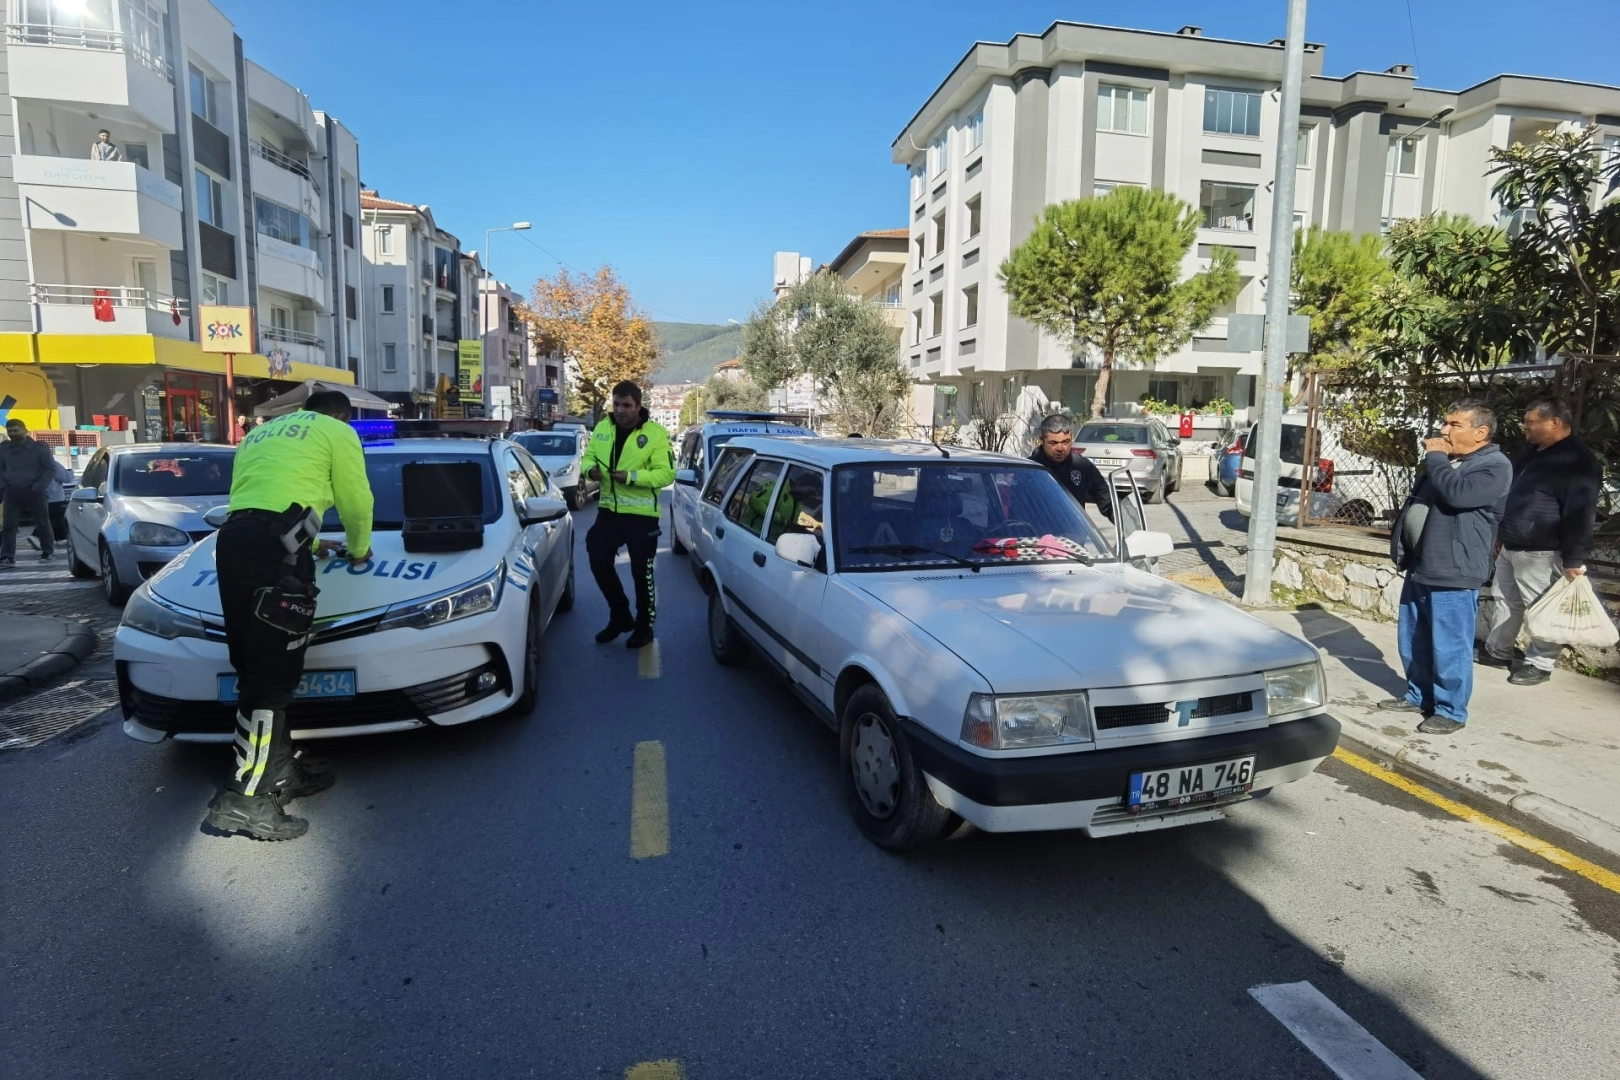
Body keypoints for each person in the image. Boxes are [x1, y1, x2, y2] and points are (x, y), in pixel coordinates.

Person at [203, 390, 373, 841]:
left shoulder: (259, 435)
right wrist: (358, 549)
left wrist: (316, 545)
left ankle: (279, 774)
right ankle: (245, 800)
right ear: (342, 415)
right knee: (272, 678)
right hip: (274, 559)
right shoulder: (337, 431)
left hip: (234, 543)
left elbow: (271, 505)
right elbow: (356, 499)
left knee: (254, 666)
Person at [1381, 400, 1512, 736]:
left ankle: (1451, 710)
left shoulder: (1494, 466)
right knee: (1413, 639)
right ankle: (1418, 695)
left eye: (1454, 424)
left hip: (1454, 569)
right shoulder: (1448, 462)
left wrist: (1436, 457)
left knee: (1449, 644)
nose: (1443, 430)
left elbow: (1457, 496)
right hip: (1422, 564)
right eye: (1445, 422)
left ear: (1480, 433)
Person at [1482, 396, 1603, 686]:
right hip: (1511, 543)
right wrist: (1501, 534)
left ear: (1555, 422)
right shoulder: (1531, 452)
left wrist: (1574, 559)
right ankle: (1498, 651)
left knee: (1542, 605)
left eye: (1530, 423)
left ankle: (1540, 663)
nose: (1525, 428)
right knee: (1505, 600)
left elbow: (1581, 513)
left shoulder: (1579, 461)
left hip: (1543, 550)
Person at [583, 381, 674, 650]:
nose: (620, 410)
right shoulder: (602, 428)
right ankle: (620, 615)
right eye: (616, 404)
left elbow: (666, 473)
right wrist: (591, 472)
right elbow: (588, 458)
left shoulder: (655, 434)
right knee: (597, 556)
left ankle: (644, 627)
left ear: (638, 406)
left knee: (641, 572)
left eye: (626, 405)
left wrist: (631, 477)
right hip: (609, 511)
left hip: (641, 515)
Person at [1029, 413, 1115, 523]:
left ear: (1072, 438)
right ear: (1042, 441)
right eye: (1053, 443)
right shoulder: (1030, 468)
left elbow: (1108, 503)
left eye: (1065, 442)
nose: (1060, 448)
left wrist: (1131, 531)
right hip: (1036, 536)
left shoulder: (1083, 466)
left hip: (1074, 537)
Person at [1, 418, 56, 566]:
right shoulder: (4, 448)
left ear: (25, 430)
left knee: (42, 522)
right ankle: (7, 556)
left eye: (16, 430)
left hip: (35, 491)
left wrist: (38, 486)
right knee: (9, 525)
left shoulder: (39, 448)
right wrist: (4, 485)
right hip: (12, 491)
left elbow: (50, 469)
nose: (13, 434)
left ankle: (47, 552)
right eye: (10, 431)